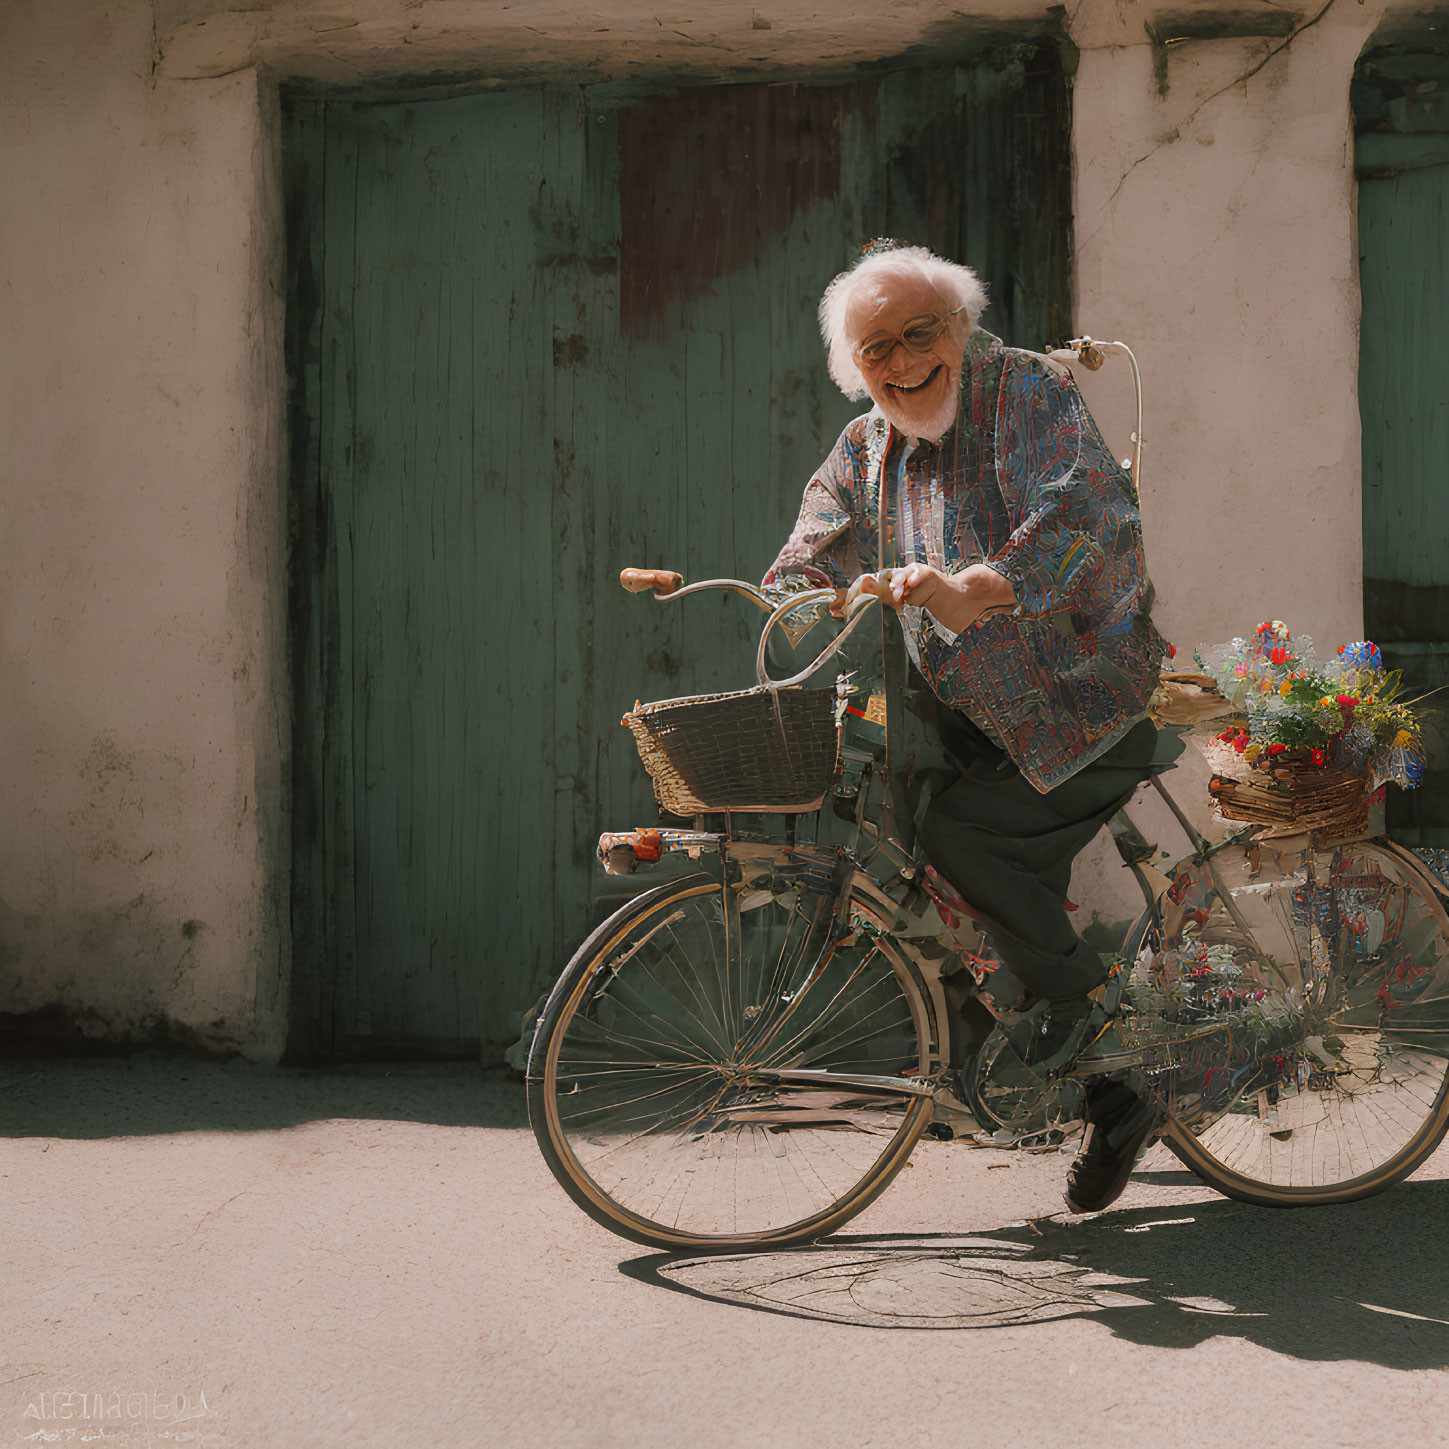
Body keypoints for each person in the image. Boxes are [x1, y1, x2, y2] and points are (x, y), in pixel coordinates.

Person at [762, 241, 1173, 1213]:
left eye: (918, 335)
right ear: (851, 368)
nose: (901, 363)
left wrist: (979, 588)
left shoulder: (1025, 390)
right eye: (875, 350)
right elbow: (814, 536)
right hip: (969, 722)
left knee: (962, 839)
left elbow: (1081, 512)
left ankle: (1108, 1054)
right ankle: (1101, 1083)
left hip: (1084, 699)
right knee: (924, 849)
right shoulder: (866, 449)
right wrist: (790, 594)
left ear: (959, 325)